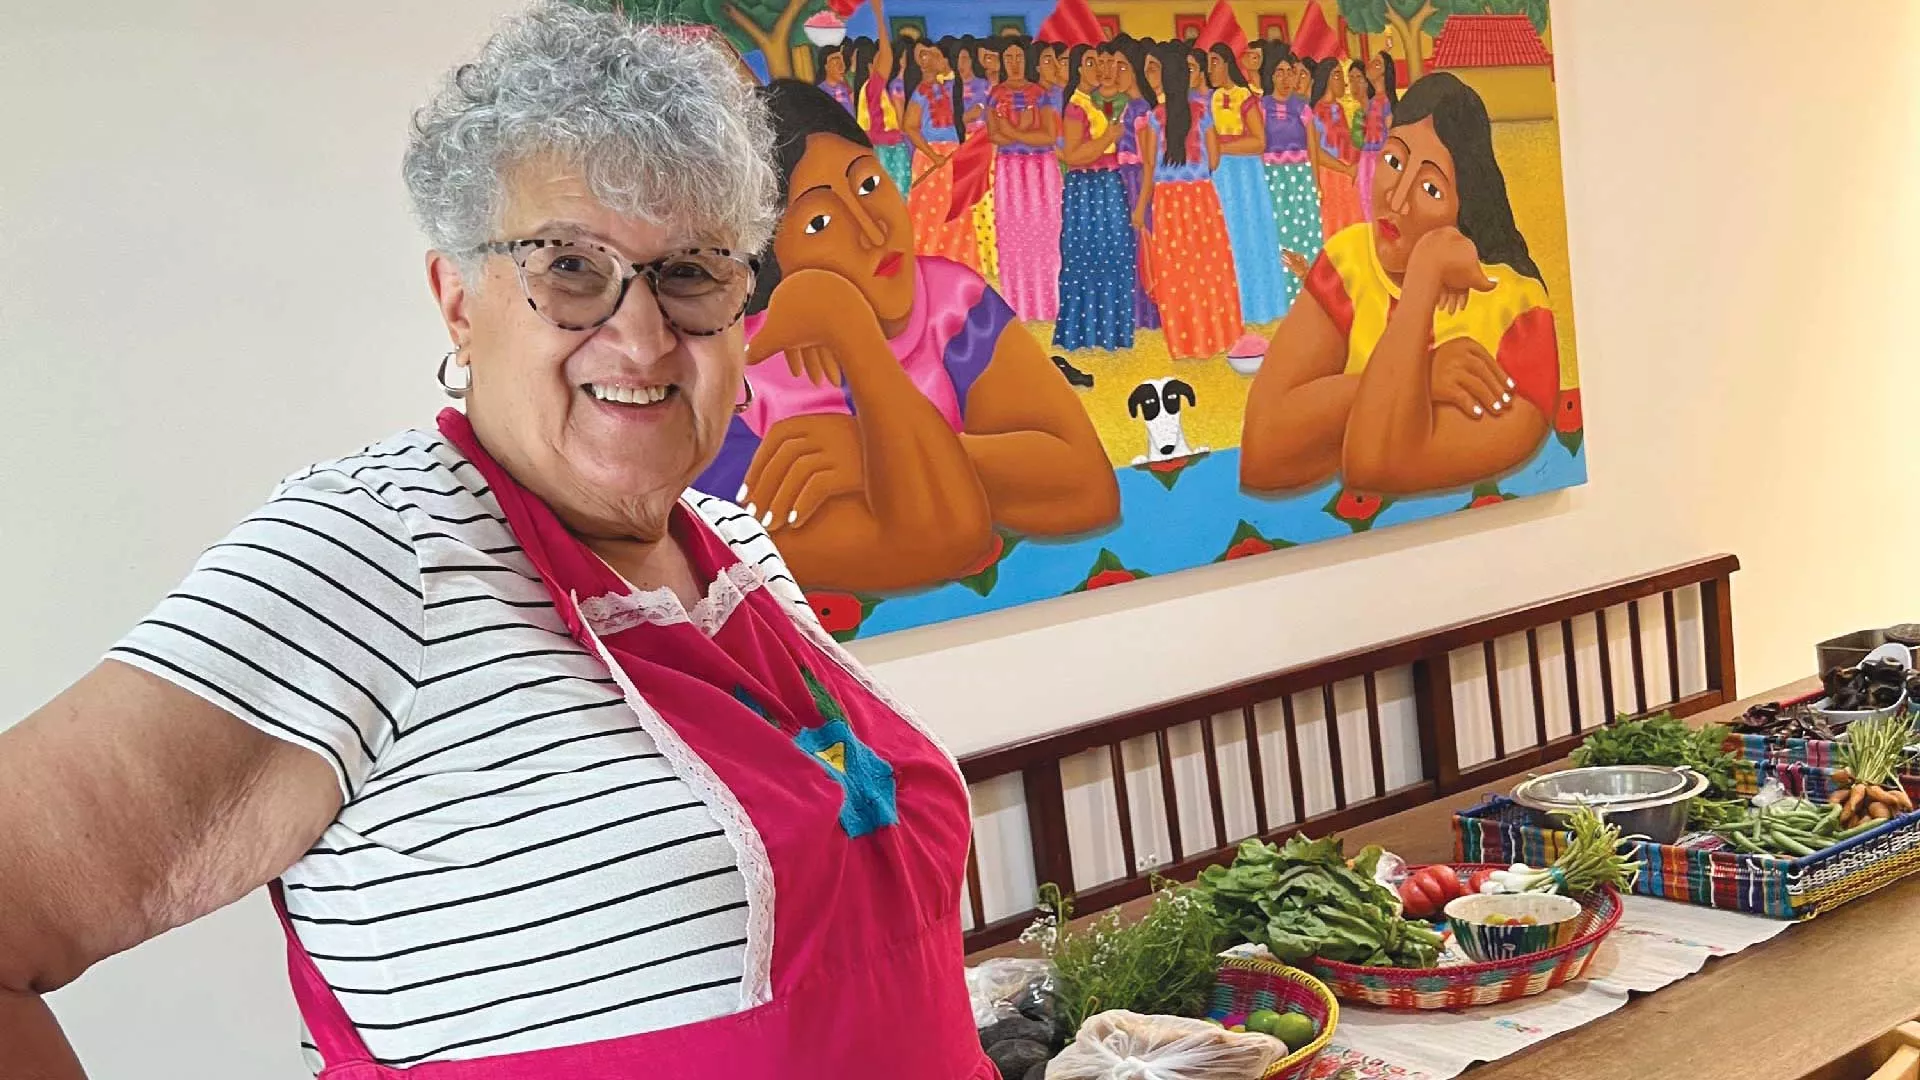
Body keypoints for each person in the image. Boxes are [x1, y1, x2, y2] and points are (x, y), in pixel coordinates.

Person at [0, 8, 994, 1080]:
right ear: (458, 303)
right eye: (570, 267)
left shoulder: (732, 543)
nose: (644, 336)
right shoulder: (373, 559)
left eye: (693, 272)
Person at [696, 81, 1119, 593]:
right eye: (821, 221)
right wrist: (851, 330)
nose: (874, 232)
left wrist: (867, 454)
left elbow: (1084, 488)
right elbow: (942, 543)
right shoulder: (735, 377)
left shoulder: (949, 301)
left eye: (869, 185)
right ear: (765, 257)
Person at [1241, 73, 1558, 495]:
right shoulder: (1349, 259)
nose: (1396, 197)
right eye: (1392, 161)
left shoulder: (1518, 310)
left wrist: (1426, 272)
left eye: (1430, 187)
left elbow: (1375, 467)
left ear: (1467, 204)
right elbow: (1263, 452)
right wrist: (1424, 378)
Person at [1134, 39, 1243, 360]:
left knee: (1177, 272)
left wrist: (1141, 207)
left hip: (1168, 202)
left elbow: (1150, 166)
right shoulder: (1202, 111)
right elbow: (1213, 159)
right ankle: (1218, 335)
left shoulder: (1155, 116)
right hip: (1200, 197)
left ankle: (1186, 343)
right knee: (1209, 268)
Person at [1053, 40, 1135, 352]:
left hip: (1106, 185)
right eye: (1090, 64)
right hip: (1089, 188)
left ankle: (1111, 332)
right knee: (1090, 257)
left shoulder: (1092, 103)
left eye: (1100, 63)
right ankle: (1087, 332)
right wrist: (1106, 139)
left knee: (1113, 255)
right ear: (1076, 70)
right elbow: (1073, 156)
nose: (1099, 69)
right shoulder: (1075, 108)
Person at [1206, 42, 1287, 326]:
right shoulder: (1209, 99)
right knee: (1226, 237)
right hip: (1220, 176)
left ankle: (1258, 305)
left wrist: (1221, 146)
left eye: (1215, 62)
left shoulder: (1245, 97)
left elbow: (1259, 141)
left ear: (1228, 63)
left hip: (1245, 178)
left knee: (1250, 234)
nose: (1210, 69)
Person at [987, 38, 1063, 322]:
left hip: (1041, 171)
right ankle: (1019, 304)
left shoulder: (1039, 93)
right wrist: (1018, 134)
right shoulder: (996, 94)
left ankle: (1049, 303)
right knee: (1014, 232)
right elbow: (994, 134)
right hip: (1010, 170)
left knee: (1045, 232)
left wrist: (1015, 133)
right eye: (1009, 57)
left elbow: (1048, 136)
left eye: (1019, 56)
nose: (1014, 62)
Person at [902, 38, 982, 271]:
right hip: (932, 156)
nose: (931, 60)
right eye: (926, 56)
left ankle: (957, 262)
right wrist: (932, 155)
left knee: (955, 211)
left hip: (952, 154)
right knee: (929, 214)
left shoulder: (948, 87)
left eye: (936, 56)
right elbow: (910, 127)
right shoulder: (919, 91)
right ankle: (928, 265)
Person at [1110, 39, 1163, 331]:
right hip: (1127, 182)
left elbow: (1150, 164)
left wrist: (1141, 205)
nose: (1115, 73)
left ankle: (1152, 316)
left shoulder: (1143, 111)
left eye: (1122, 67)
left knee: (1146, 248)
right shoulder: (1129, 108)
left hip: (1140, 185)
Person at [1310, 57, 1364, 239]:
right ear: (1328, 78)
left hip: (1346, 176)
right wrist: (1345, 168)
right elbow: (1316, 151)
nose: (1343, 81)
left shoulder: (1339, 108)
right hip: (1330, 176)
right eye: (1338, 75)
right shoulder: (1318, 111)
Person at [1354, 52, 1397, 221]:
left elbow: (1391, 133)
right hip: (1367, 157)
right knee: (1365, 200)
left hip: (1378, 158)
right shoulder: (1372, 102)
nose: (1371, 65)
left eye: (1377, 64)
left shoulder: (1386, 102)